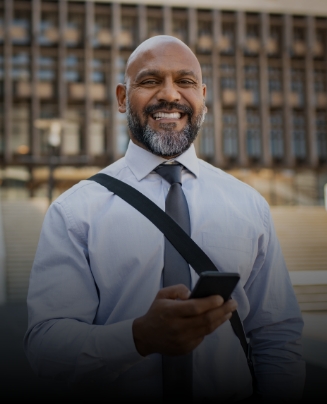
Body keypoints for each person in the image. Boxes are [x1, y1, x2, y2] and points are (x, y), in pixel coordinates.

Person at [25, 36, 305, 402]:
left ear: (202, 97)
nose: (170, 95)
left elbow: (277, 334)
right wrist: (138, 337)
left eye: (185, 82)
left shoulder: (249, 205)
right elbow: (44, 347)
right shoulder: (75, 211)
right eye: (150, 80)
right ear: (123, 98)